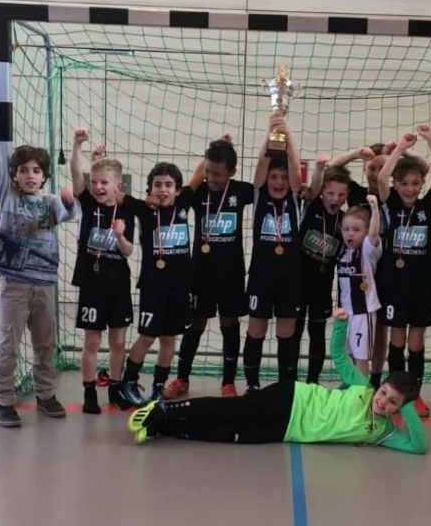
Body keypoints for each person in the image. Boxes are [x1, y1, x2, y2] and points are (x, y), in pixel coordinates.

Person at [127, 308, 427, 454]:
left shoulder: (383, 432)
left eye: (393, 402)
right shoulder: (363, 386)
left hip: (287, 430)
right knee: (233, 410)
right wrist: (341, 324)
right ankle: (164, 409)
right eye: (384, 392)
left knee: (231, 434)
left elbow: (418, 446)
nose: (382, 401)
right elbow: (338, 354)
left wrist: (408, 405)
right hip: (293, 398)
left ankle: (160, 428)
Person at [0, 101, 77, 427]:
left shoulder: (50, 203)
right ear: (15, 175)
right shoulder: (8, 195)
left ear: (44, 176)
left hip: (44, 286)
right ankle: (3, 400)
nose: (30, 175)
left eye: (36, 170)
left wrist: (69, 199)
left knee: (45, 345)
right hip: (14, 285)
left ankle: (45, 394)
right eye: (23, 170)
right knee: (8, 344)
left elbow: (72, 210)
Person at [164, 135, 253, 400]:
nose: (211, 178)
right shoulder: (199, 191)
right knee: (195, 324)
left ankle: (228, 382)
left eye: (217, 174)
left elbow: (264, 183)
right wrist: (207, 160)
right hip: (200, 273)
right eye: (208, 172)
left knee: (229, 324)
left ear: (232, 172)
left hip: (232, 274)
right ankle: (182, 378)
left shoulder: (241, 191)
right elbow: (186, 190)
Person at [377, 125, 431, 416]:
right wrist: (399, 148)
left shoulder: (427, 206)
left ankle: (414, 395)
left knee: (416, 341)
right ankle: (396, 394)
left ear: (421, 184)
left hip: (421, 283)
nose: (409, 188)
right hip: (394, 283)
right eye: (404, 183)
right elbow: (381, 177)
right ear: (396, 184)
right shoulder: (390, 203)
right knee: (397, 340)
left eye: (415, 183)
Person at [69, 129, 135, 413]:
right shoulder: (87, 204)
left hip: (118, 284)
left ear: (118, 185)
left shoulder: (126, 211)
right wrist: (77, 145)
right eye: (94, 182)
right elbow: (76, 171)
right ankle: (89, 393)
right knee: (92, 341)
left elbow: (129, 251)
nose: (97, 187)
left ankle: (116, 389)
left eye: (104, 182)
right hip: (92, 283)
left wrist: (120, 236)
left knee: (118, 342)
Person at [118, 161, 194, 406]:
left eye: (168, 185)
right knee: (147, 336)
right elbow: (114, 194)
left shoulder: (183, 204)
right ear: (150, 189)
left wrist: (220, 145)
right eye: (157, 185)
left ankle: (159, 385)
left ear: (178, 190)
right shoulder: (143, 208)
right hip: (153, 286)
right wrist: (98, 159)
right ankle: (128, 381)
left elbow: (199, 175)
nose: (163, 189)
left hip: (179, 287)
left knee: (168, 339)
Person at [242, 113, 303, 391]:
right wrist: (270, 131)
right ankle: (252, 386)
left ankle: (285, 388)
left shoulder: (295, 199)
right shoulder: (259, 196)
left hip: (290, 279)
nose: (278, 182)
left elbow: (295, 168)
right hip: (261, 277)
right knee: (256, 330)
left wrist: (288, 134)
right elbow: (261, 163)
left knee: (287, 333)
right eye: (273, 177)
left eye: (283, 178)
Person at [294, 160, 351, 384]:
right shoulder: (312, 206)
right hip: (298, 283)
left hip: (323, 286)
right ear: (321, 193)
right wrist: (319, 167)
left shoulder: (345, 220)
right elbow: (315, 185)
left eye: (341, 194)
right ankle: (290, 380)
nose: (335, 199)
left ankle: (312, 381)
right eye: (330, 193)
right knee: (294, 332)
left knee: (317, 334)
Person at [337, 196, 383, 376]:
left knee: (361, 356)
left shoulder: (367, 251)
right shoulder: (342, 252)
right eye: (346, 229)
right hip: (346, 314)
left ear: (365, 232)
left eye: (356, 230)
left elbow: (374, 234)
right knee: (350, 354)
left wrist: (375, 208)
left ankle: (362, 389)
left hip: (363, 313)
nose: (350, 234)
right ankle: (353, 385)